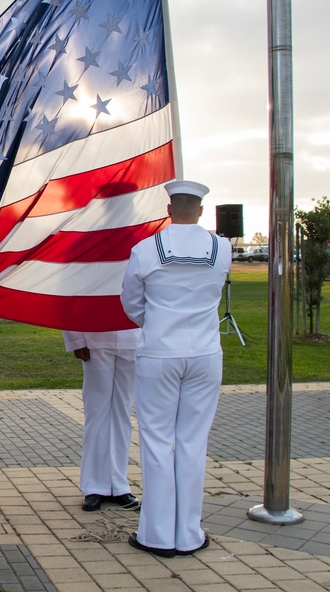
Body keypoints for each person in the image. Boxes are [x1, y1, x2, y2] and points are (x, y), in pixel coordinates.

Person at [121, 179, 231, 558]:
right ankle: (188, 532)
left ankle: (156, 534)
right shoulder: (223, 248)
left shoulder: (145, 249)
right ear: (200, 210)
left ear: (170, 209)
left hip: (160, 353)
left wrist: (156, 325)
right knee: (192, 443)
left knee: (156, 442)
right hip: (205, 353)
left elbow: (132, 303)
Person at [63, 329, 140, 512]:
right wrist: (76, 340)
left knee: (122, 413)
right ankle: (93, 486)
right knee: (97, 413)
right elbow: (72, 301)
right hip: (95, 337)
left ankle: (119, 485)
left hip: (132, 339)